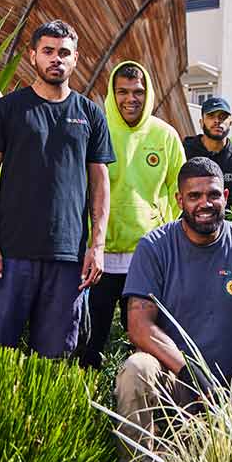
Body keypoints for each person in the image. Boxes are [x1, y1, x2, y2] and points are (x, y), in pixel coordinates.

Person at [115, 157, 232, 453]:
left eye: (213, 195)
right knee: (136, 368)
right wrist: (193, 376)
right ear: (179, 200)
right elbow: (138, 327)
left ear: (225, 197)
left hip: (230, 392)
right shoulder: (154, 246)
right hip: (175, 381)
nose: (205, 203)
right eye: (194, 196)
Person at [0, 19, 114, 358]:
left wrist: (97, 246)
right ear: (32, 55)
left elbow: (100, 183)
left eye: (64, 52)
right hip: (9, 254)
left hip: (68, 257)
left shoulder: (90, 114)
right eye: (48, 51)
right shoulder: (7, 110)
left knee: (55, 359)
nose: (56, 59)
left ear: (75, 58)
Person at [78, 61, 186, 370]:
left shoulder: (165, 135)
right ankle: (89, 393)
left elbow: (181, 193)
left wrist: (171, 245)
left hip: (146, 257)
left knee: (144, 342)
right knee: (90, 340)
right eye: (122, 92)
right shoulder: (96, 130)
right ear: (112, 94)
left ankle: (141, 393)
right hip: (100, 256)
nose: (130, 99)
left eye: (138, 92)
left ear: (148, 93)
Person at [182, 95, 232, 223]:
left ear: (231, 122)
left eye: (222, 117)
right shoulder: (184, 152)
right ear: (201, 122)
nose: (217, 121)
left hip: (226, 232)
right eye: (211, 116)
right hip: (185, 229)